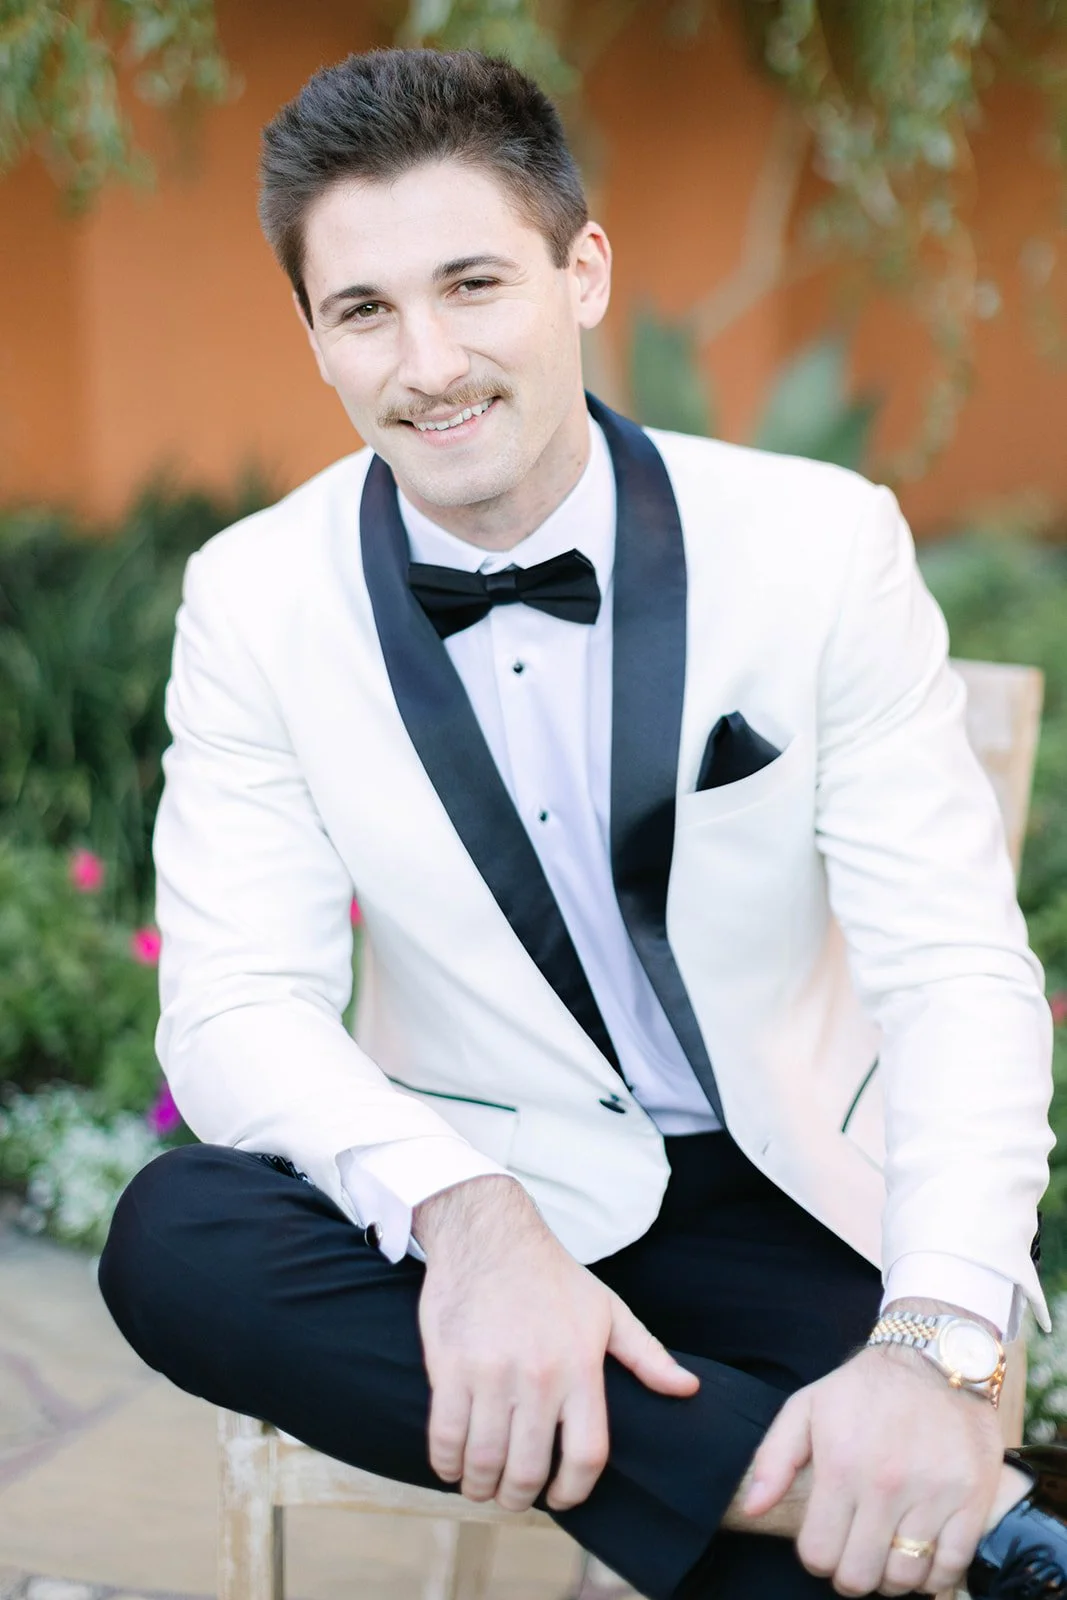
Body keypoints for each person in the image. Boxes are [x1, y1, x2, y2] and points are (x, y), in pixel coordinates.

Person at [97, 46, 1065, 1600]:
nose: (428, 364)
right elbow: (233, 1007)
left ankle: (794, 1482)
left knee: (812, 1543)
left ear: (583, 272)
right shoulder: (253, 600)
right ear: (313, 337)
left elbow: (951, 969)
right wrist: (468, 1218)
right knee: (174, 1239)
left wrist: (932, 1353)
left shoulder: (818, 546)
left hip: (784, 1194)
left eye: (472, 284)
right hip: (477, 1171)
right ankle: (842, 1499)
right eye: (364, 311)